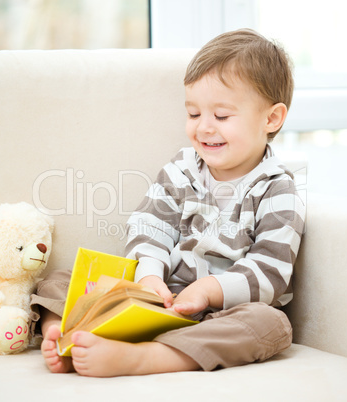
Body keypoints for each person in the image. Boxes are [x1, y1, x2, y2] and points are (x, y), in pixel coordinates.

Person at [33, 29, 305, 377]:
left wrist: (208, 291)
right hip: (157, 296)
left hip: (216, 316)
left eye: (221, 116)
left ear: (271, 118)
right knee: (60, 278)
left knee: (272, 324)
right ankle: (61, 331)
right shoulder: (182, 169)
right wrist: (149, 277)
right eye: (193, 114)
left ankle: (150, 357)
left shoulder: (277, 189)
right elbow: (149, 227)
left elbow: (270, 272)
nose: (204, 128)